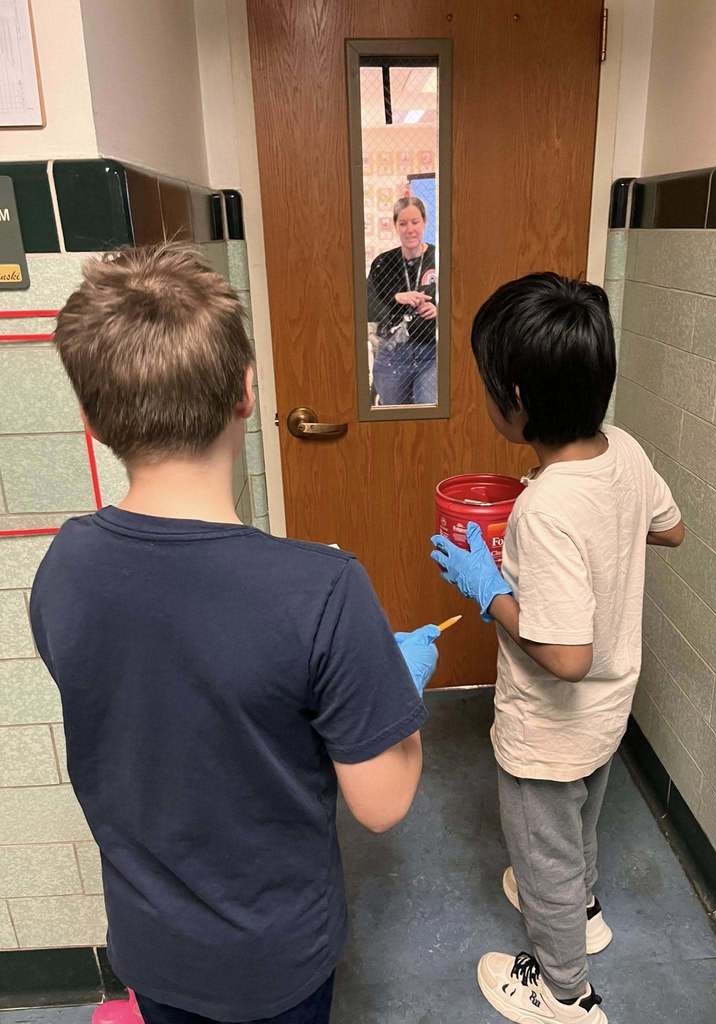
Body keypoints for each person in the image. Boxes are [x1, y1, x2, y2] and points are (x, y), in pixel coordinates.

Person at [30, 244, 441, 1024]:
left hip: (150, 948)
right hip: (275, 964)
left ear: (90, 418)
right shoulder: (322, 590)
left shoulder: (65, 566)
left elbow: (158, 700)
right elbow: (382, 803)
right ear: (248, 391)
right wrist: (397, 687)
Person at [430, 273, 684, 1024]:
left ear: (516, 399)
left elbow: (565, 657)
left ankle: (564, 991)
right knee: (579, 823)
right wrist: (600, 531)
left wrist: (490, 591)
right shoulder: (623, 449)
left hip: (548, 728)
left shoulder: (543, 510)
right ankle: (586, 909)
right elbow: (670, 529)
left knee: (542, 854)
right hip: (609, 711)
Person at [367, 195, 438, 406]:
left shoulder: (439, 258)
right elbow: (367, 307)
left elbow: (459, 301)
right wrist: (395, 298)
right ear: (395, 226)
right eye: (403, 223)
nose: (410, 229)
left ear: (425, 222)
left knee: (428, 411)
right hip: (392, 355)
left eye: (415, 222)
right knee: (394, 418)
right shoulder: (382, 263)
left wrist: (438, 310)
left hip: (431, 353)